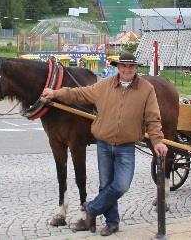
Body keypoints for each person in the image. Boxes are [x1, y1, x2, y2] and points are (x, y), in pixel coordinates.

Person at [42, 52, 168, 236]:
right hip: (104, 145)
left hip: (126, 146)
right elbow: (79, 93)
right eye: (124, 66)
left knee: (121, 186)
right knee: (106, 185)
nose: (127, 70)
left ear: (136, 68)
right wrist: (55, 93)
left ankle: (91, 209)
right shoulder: (104, 85)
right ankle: (112, 223)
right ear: (118, 67)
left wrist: (157, 140)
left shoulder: (146, 89)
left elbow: (153, 118)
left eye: (131, 66)